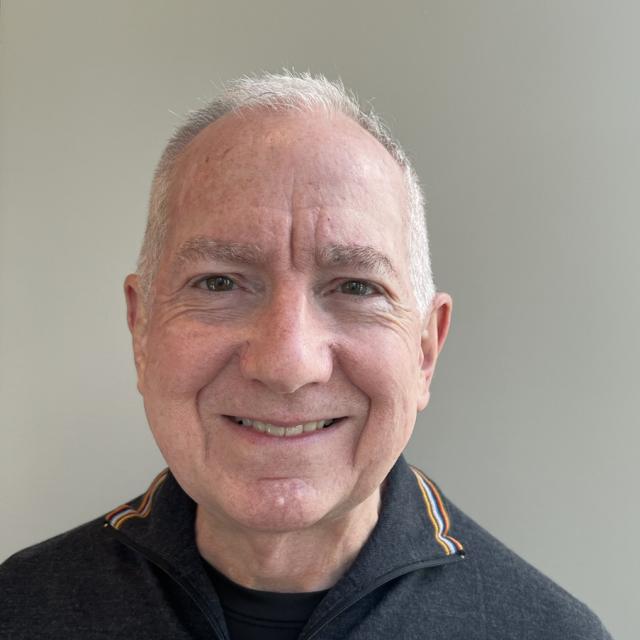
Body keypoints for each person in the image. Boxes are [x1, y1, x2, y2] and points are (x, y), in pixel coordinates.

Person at [0, 72, 612, 640]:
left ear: (426, 350)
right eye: (219, 282)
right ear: (141, 328)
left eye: (355, 287)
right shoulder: (21, 610)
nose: (287, 364)